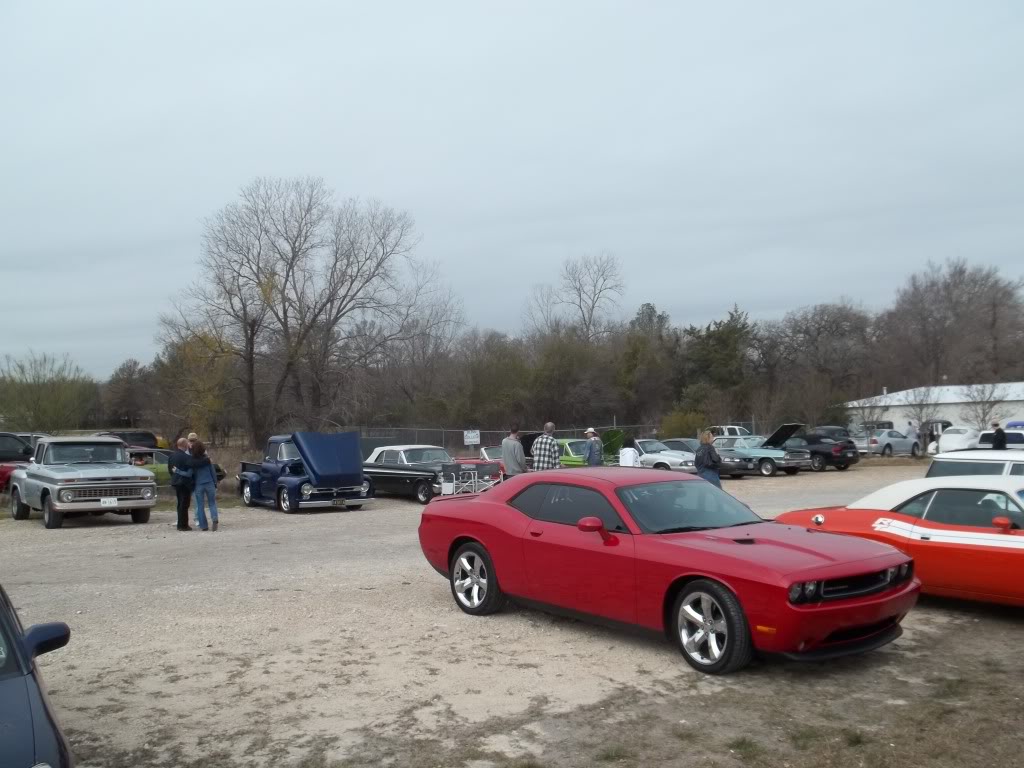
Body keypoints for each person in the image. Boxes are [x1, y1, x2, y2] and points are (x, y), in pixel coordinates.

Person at [189, 440, 220, 531]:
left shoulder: (192, 461)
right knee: (212, 503)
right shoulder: (207, 459)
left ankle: (204, 525)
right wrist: (215, 482)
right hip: (209, 482)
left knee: (200, 505)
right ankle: (214, 518)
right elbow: (212, 472)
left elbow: (192, 474)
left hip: (198, 484)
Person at [167, 438, 194, 531]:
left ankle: (180, 523)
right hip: (185, 483)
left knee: (180, 503)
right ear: (185, 445)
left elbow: (170, 469)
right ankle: (183, 525)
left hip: (175, 482)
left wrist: (174, 477)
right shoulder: (187, 457)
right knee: (185, 504)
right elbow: (190, 472)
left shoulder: (171, 456)